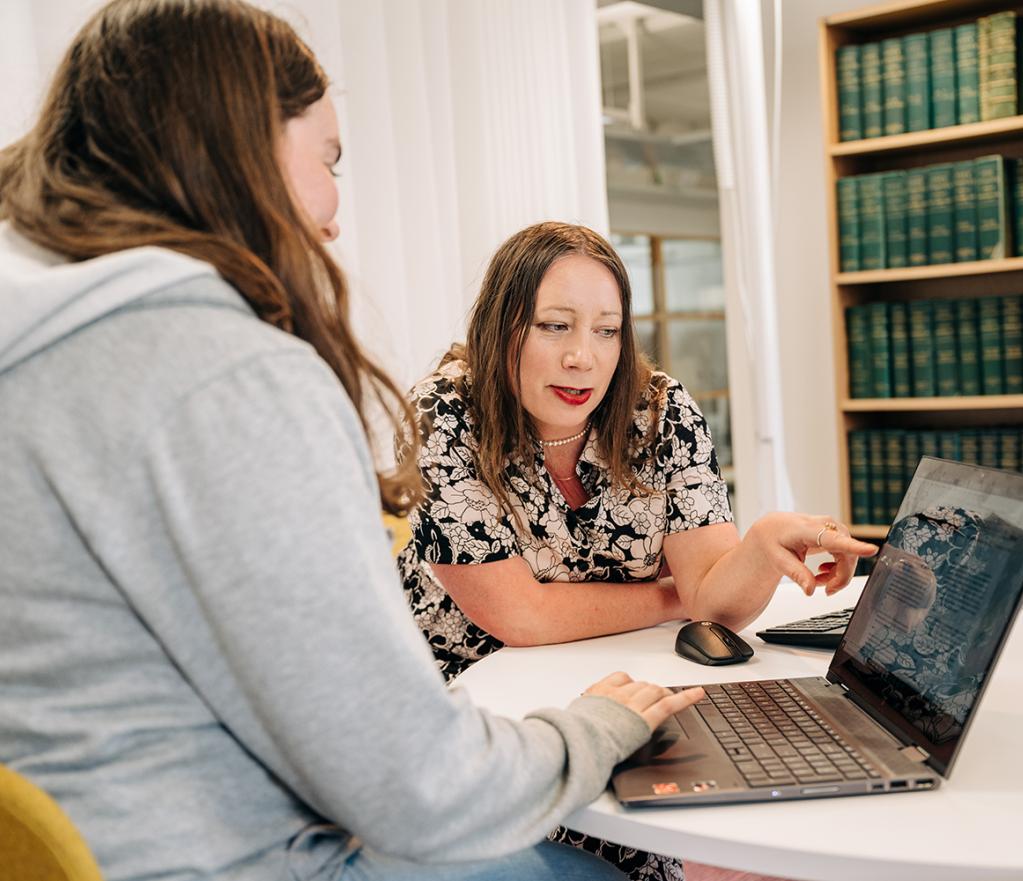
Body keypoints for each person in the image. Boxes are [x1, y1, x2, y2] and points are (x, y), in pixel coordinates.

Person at [0, 3, 704, 880]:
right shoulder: (227, 379)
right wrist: (596, 728)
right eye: (328, 160)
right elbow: (418, 786)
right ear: (240, 150)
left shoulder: (36, 345)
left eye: (604, 329)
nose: (333, 215)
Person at [397, 221, 879, 881]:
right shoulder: (445, 413)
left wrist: (760, 547)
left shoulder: (662, 412)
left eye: (607, 329)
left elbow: (719, 604)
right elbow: (519, 616)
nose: (583, 358)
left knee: (768, 828)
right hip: (480, 711)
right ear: (499, 326)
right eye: (554, 326)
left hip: (614, 676)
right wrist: (677, 596)